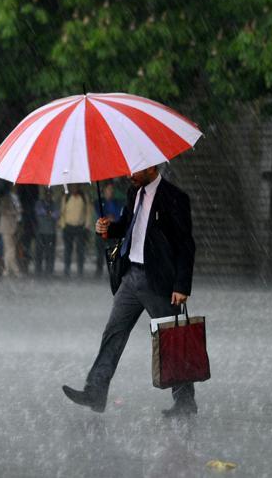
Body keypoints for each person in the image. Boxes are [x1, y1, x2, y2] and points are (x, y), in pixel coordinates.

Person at [62, 165, 197, 417]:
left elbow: (186, 244)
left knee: (170, 340)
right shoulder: (133, 192)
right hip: (130, 277)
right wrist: (108, 229)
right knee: (113, 333)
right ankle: (95, 391)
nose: (129, 174)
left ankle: (185, 401)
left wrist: (181, 285)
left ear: (151, 167)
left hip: (160, 282)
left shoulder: (175, 198)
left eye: (135, 169)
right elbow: (128, 226)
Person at [59, 186, 92, 277]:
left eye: (76, 186)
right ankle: (66, 270)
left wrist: (86, 225)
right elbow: (62, 212)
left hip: (80, 228)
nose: (74, 188)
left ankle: (80, 271)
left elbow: (88, 212)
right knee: (68, 250)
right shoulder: (66, 197)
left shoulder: (84, 197)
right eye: (72, 186)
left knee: (80, 250)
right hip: (68, 227)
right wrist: (63, 225)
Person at [95, 183, 123, 278]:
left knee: (113, 252)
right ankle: (98, 272)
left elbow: (119, 215)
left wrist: (112, 219)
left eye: (112, 190)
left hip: (112, 231)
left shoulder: (117, 202)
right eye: (108, 190)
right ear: (104, 191)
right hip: (102, 231)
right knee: (100, 252)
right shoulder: (99, 202)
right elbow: (99, 214)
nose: (110, 192)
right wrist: (107, 218)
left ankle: (112, 272)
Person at [34, 188, 60, 276]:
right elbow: (39, 212)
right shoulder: (39, 203)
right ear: (44, 195)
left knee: (50, 254)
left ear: (51, 195)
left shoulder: (54, 204)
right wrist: (49, 214)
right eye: (47, 194)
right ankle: (38, 271)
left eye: (50, 194)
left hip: (51, 233)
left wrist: (48, 214)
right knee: (39, 253)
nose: (48, 196)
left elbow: (56, 215)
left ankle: (49, 271)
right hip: (41, 232)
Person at [0, 188, 22, 277]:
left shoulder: (16, 198)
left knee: (9, 249)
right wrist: (15, 212)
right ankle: (13, 270)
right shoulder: (6, 198)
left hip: (13, 226)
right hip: (6, 226)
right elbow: (2, 210)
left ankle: (7, 269)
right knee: (11, 249)